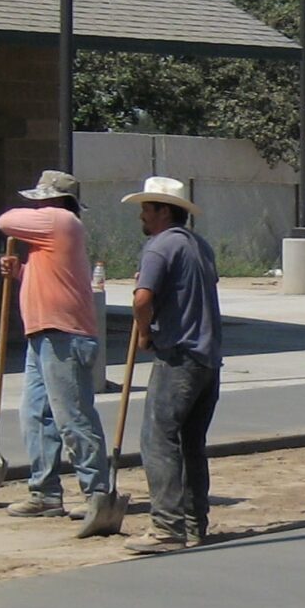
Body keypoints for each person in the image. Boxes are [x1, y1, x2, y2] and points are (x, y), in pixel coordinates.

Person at [0, 170, 112, 533]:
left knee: (72, 418)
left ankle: (97, 493)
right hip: (44, 333)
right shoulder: (51, 235)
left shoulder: (61, 221)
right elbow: (54, 278)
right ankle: (45, 492)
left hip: (65, 335)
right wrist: (22, 272)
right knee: (35, 414)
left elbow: (4, 221)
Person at [122, 176, 222, 553]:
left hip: (179, 354)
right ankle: (195, 523)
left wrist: (144, 332)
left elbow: (142, 299)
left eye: (147, 209)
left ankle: (167, 527)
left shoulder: (159, 247)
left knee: (158, 438)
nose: (142, 217)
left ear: (164, 211)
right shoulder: (199, 246)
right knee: (190, 441)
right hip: (208, 357)